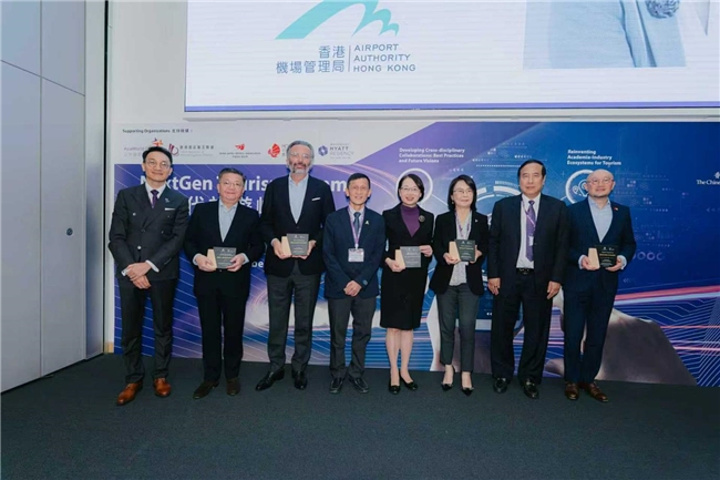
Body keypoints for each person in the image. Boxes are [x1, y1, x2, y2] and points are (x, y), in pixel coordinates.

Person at [108, 146, 189, 406]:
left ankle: (160, 375)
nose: (158, 168)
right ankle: (133, 378)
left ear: (171, 170)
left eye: (164, 164)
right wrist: (133, 269)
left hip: (161, 273)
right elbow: (116, 237)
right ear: (143, 166)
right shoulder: (126, 196)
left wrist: (148, 266)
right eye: (152, 162)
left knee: (162, 327)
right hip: (130, 273)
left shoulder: (179, 200)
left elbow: (177, 240)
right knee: (130, 328)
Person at [255, 140, 336, 391]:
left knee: (304, 321)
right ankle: (275, 366)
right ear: (287, 159)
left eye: (305, 156)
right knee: (276, 320)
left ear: (311, 161)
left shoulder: (321, 188)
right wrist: (273, 242)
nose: (300, 160)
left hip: (308, 267)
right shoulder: (274, 187)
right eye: (295, 155)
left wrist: (313, 242)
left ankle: (300, 367)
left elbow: (329, 225)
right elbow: (265, 223)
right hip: (278, 264)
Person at [487, 159, 568, 399]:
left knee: (537, 330)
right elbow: (493, 243)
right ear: (519, 179)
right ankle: (502, 374)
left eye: (535, 175)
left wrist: (556, 278)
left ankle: (530, 376)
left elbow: (562, 246)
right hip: (508, 277)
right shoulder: (504, 206)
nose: (530, 180)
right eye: (525, 175)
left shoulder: (557, 208)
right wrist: (493, 274)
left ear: (543, 179)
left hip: (540, 279)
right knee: (502, 327)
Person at [184, 168, 265, 399]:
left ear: (243, 189)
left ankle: (232, 376)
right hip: (207, 281)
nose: (232, 188)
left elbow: (258, 246)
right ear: (218, 186)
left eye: (237, 184)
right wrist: (197, 258)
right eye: (227, 183)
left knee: (233, 331)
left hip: (235, 282)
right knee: (209, 330)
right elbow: (189, 241)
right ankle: (210, 377)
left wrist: (244, 258)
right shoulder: (202, 210)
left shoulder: (251, 215)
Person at [562, 169, 637, 402]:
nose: (600, 184)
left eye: (605, 180)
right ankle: (571, 379)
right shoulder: (572, 211)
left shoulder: (622, 212)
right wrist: (579, 259)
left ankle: (589, 379)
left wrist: (622, 259)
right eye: (594, 181)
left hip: (605, 284)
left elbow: (629, 244)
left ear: (612, 185)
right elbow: (562, 245)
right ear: (586, 186)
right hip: (576, 283)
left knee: (597, 335)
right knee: (573, 334)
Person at [322, 173, 385, 394]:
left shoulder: (377, 220)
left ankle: (356, 373)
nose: (359, 191)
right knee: (337, 333)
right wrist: (345, 282)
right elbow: (327, 254)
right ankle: (337, 374)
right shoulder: (333, 219)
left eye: (363, 187)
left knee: (362, 333)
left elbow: (377, 255)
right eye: (354, 187)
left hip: (366, 287)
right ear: (347, 191)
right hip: (338, 286)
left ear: (369, 192)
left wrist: (359, 281)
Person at [429, 175, 489, 395]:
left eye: (468, 191)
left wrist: (479, 253)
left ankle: (466, 372)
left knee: (467, 327)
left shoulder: (481, 220)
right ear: (452, 196)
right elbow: (436, 244)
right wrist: (444, 255)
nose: (464, 195)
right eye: (460, 191)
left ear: (474, 195)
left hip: (469, 282)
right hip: (446, 281)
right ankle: (448, 368)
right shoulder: (443, 219)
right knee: (446, 327)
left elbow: (486, 245)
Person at [381, 173, 434, 394]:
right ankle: (393, 371)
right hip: (394, 276)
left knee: (408, 326)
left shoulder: (429, 217)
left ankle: (405, 370)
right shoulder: (387, 215)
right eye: (406, 188)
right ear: (399, 191)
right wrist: (388, 261)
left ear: (421, 192)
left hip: (416, 278)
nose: (410, 192)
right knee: (393, 326)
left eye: (414, 188)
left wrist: (430, 251)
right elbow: (379, 247)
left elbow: (429, 249)